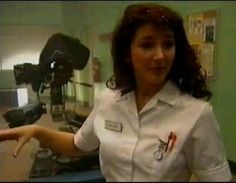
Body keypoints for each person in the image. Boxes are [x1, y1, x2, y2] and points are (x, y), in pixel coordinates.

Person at [0, 3, 232, 182]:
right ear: (127, 54)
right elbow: (77, 145)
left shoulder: (196, 115)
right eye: (147, 45)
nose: (160, 55)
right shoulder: (109, 100)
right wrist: (37, 131)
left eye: (168, 44)